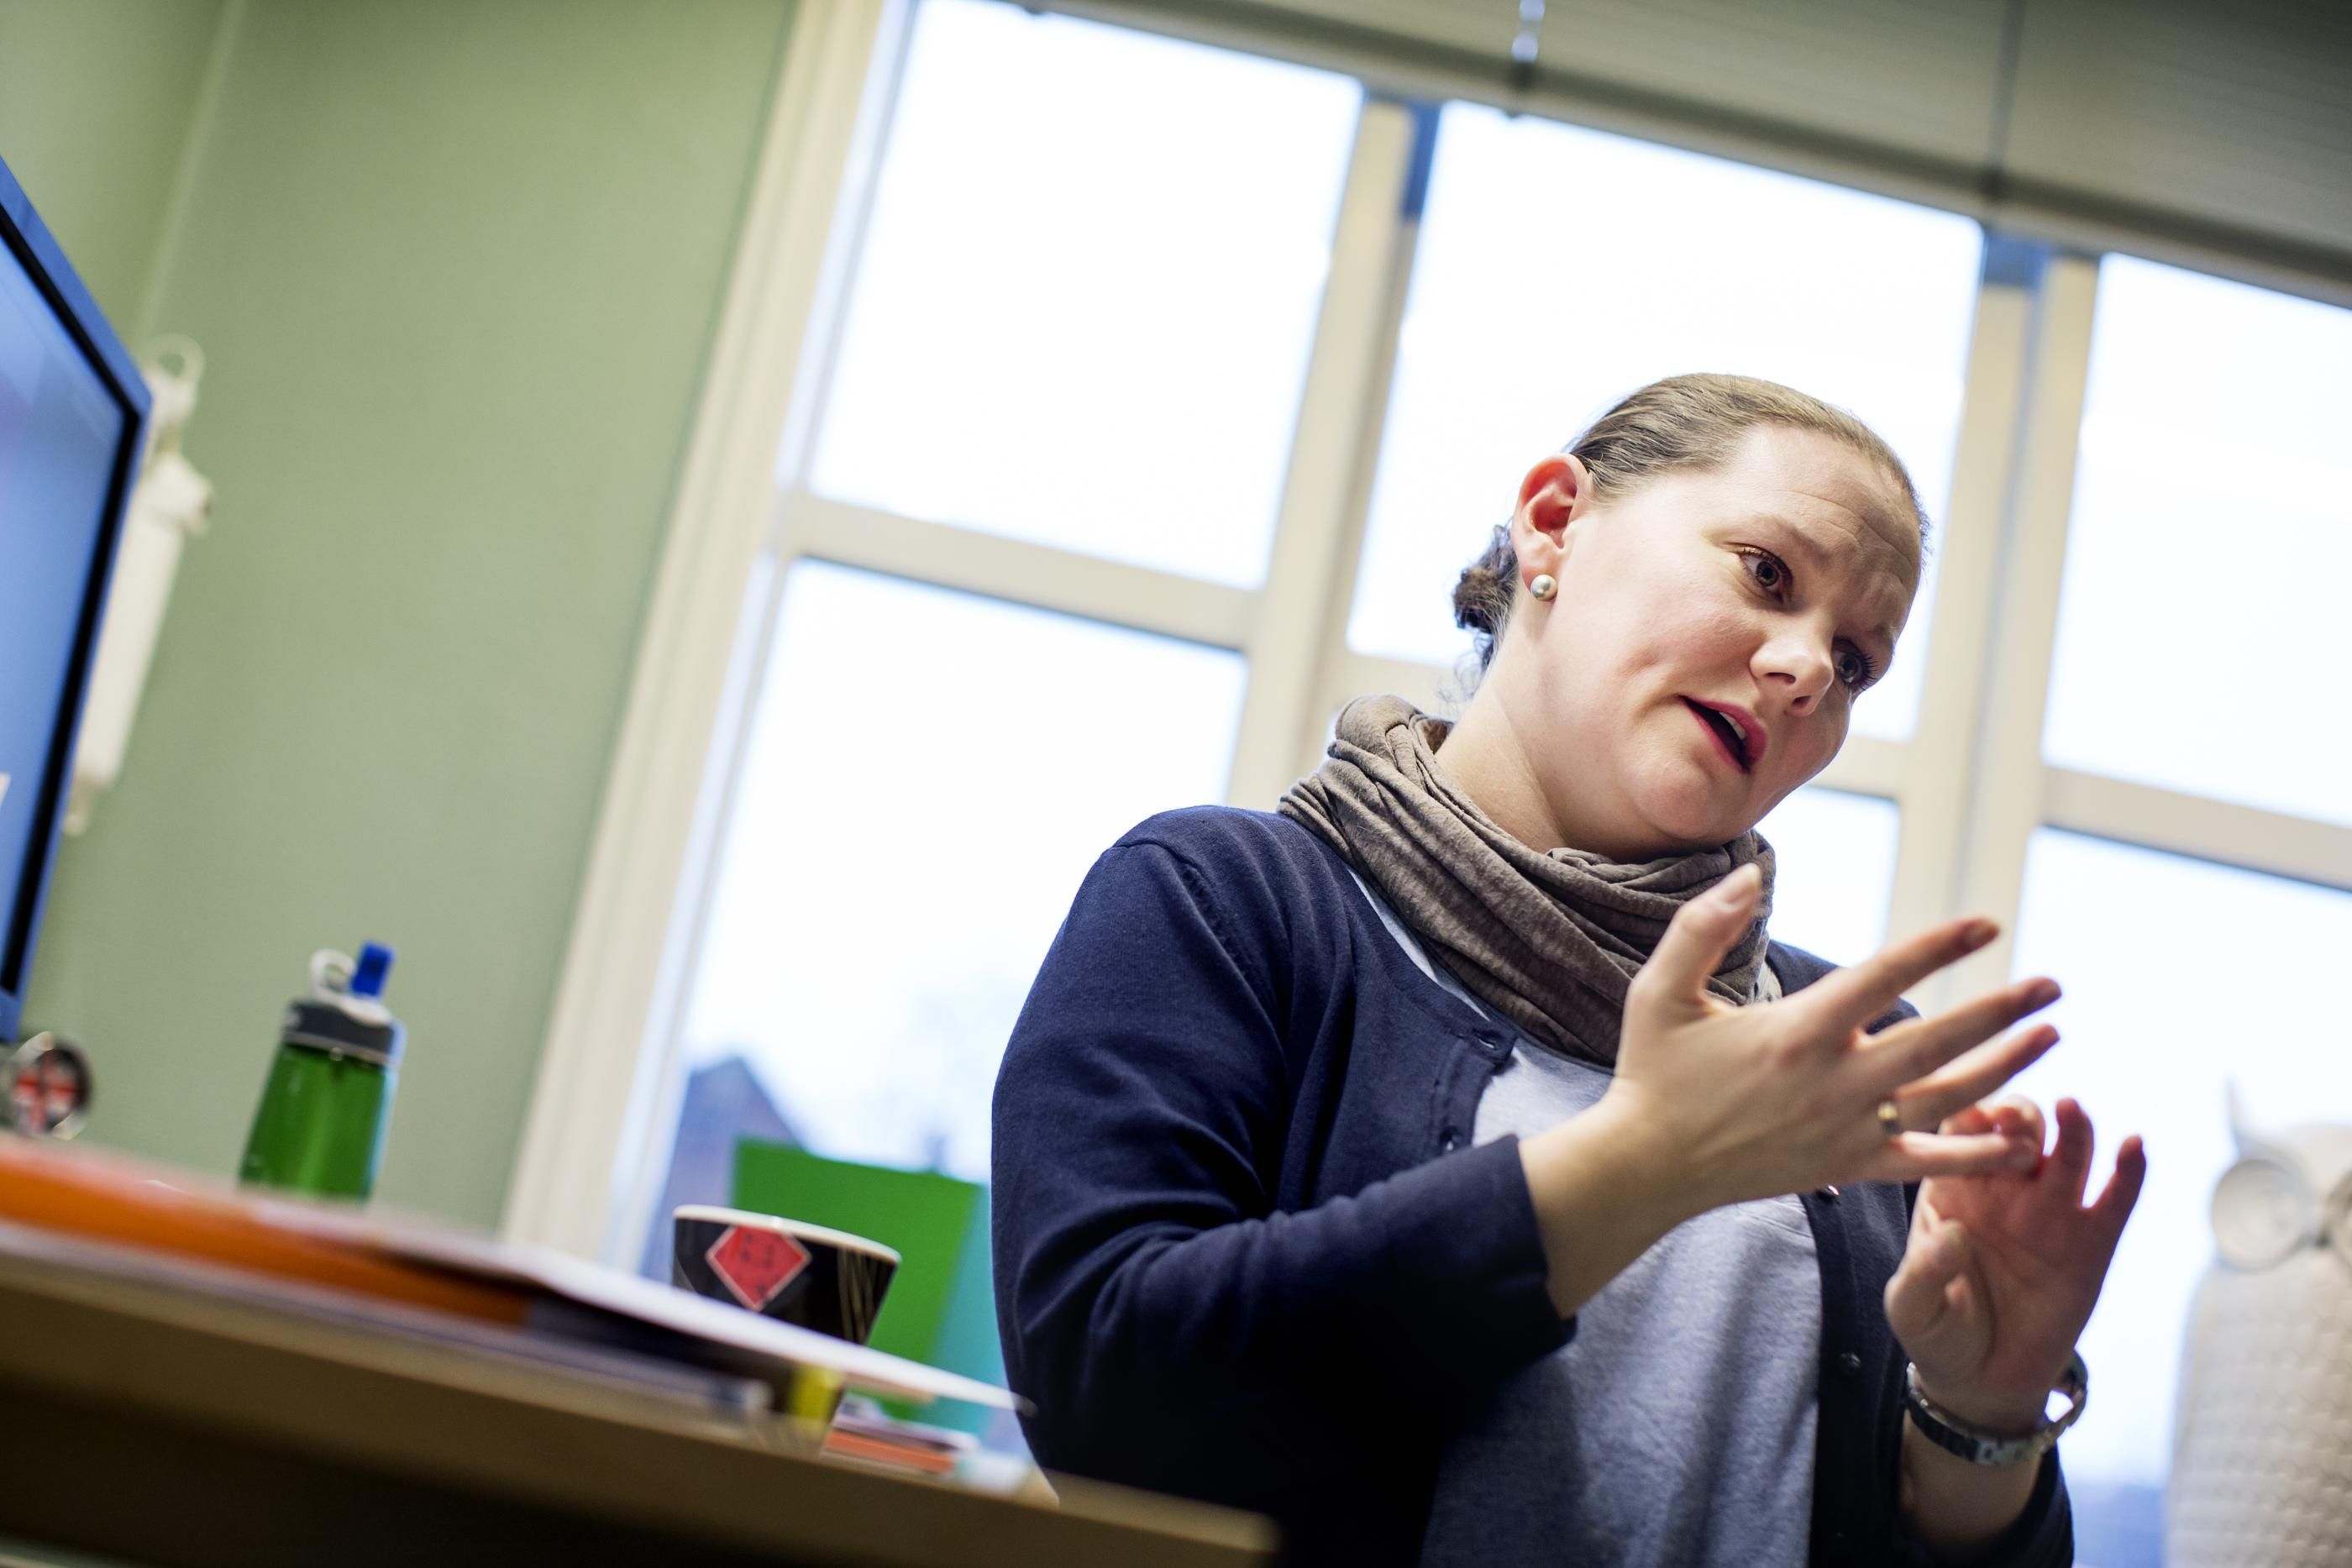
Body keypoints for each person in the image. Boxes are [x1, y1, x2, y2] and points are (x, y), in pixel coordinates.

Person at [990, 374, 2145, 1566]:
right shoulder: (1224, 901)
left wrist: (1981, 1418)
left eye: (1855, 661)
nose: (1808, 668)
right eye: (1767, 574)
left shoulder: (1846, 1060)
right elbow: (1103, 1394)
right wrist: (1649, 1161)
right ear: (1553, 524)